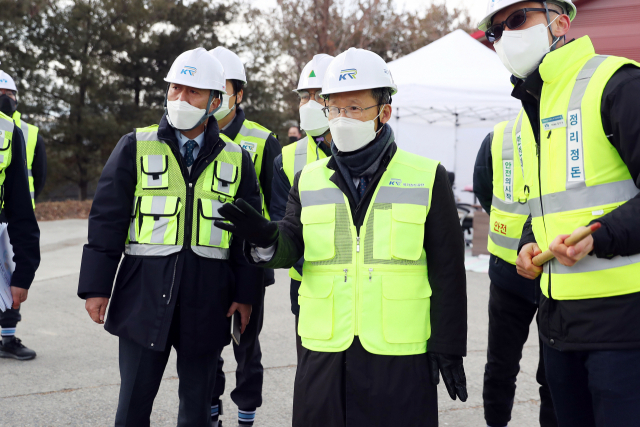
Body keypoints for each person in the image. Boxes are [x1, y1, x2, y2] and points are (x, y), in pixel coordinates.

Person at [215, 47, 468, 427]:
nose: (341, 118)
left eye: (354, 108)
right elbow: (291, 246)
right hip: (324, 350)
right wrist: (266, 238)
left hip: (398, 353)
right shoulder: (309, 179)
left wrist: (449, 347)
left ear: (384, 112)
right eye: (334, 109)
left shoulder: (426, 176)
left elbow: (448, 271)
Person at [76, 48, 263, 427]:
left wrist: (246, 294)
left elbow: (249, 236)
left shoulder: (236, 159)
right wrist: (96, 286)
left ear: (215, 101)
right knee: (132, 407)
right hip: (143, 297)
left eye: (193, 92)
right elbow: (107, 221)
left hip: (207, 303)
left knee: (196, 411)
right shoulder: (135, 145)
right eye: (175, 89)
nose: (180, 99)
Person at [480, 0, 640, 425]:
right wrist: (528, 241)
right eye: (496, 31)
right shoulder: (534, 109)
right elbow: (546, 205)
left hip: (623, 328)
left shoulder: (616, 82)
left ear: (560, 22)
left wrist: (600, 234)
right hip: (559, 326)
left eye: (517, 20)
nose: (505, 37)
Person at [208, 46, 281, 427]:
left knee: (246, 346)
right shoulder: (193, 135)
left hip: (250, 263)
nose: (215, 96)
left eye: (223, 87)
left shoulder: (262, 141)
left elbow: (277, 207)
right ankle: (210, 412)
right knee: (205, 346)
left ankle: (246, 417)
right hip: (206, 260)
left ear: (239, 94)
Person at [474, 115, 557, 427]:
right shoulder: (500, 137)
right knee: (501, 366)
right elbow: (485, 188)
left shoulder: (568, 127)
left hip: (555, 272)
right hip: (511, 273)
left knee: (552, 373)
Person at [270, 53, 334, 361]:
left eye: (318, 95)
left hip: (363, 286)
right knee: (314, 378)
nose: (309, 103)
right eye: (303, 96)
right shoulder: (286, 158)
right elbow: (283, 225)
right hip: (306, 286)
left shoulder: (376, 149)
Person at [0, 71, 48, 361]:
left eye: (9, 95)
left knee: (10, 280)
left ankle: (7, 337)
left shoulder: (23, 132)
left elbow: (38, 175)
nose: (6, 99)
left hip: (12, 215)